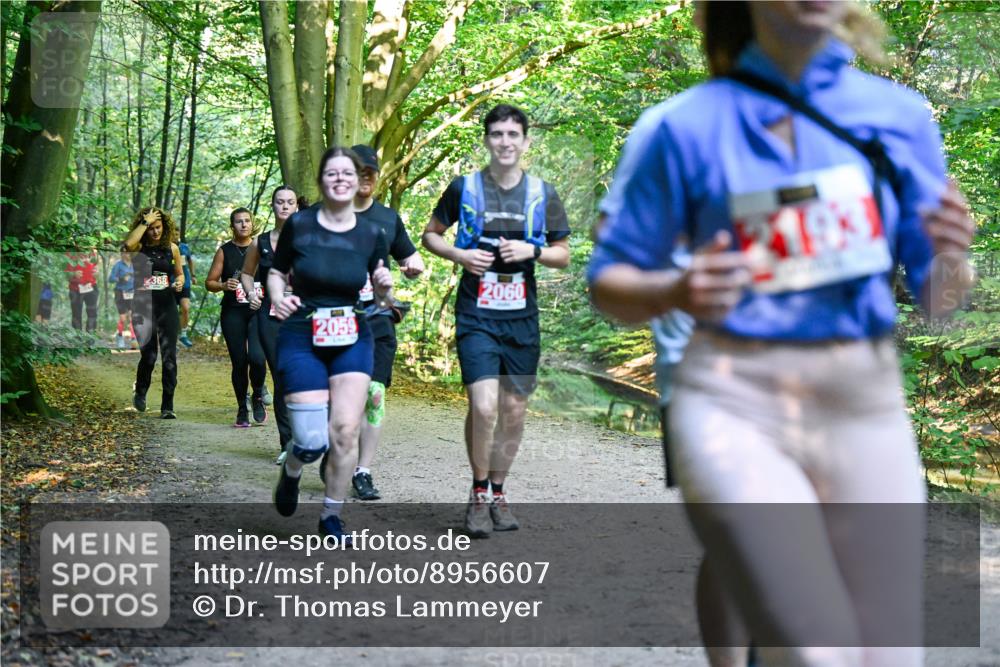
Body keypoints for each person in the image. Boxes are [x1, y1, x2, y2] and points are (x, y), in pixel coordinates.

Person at [588, 2, 976, 666]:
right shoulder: (682, 128)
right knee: (815, 648)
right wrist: (675, 290)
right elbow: (608, 280)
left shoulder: (900, 119)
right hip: (735, 402)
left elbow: (939, 300)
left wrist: (952, 257)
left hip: (864, 403)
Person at [422, 104, 571, 537]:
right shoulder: (462, 187)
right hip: (476, 313)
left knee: (513, 412)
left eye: (513, 135)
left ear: (526, 142)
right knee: (483, 406)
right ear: (486, 141)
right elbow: (431, 234)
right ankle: (479, 491)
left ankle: (499, 491)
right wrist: (458, 254)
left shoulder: (544, 193)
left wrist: (534, 251)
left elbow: (563, 253)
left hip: (522, 317)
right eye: (497, 134)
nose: (505, 142)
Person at [268, 146, 392, 541]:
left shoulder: (372, 232)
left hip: (352, 334)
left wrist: (386, 289)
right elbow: (275, 272)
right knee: (310, 441)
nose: (340, 179)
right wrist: (276, 296)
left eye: (348, 174)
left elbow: (380, 283)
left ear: (358, 183)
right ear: (321, 181)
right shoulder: (300, 225)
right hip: (302, 333)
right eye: (332, 173)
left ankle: (330, 516)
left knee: (343, 431)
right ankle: (292, 469)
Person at [339, 144, 425, 500]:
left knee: (374, 394)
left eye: (370, 173)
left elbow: (412, 258)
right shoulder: (324, 215)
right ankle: (329, 452)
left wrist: (416, 267)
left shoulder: (388, 218)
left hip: (377, 317)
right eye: (358, 172)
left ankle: (363, 471)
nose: (365, 178)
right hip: (334, 318)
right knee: (342, 402)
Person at [243, 185, 299, 463]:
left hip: (302, 314)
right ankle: (287, 444)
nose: (285, 206)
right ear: (273, 206)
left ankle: (311, 438)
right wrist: (252, 293)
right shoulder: (260, 242)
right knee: (280, 377)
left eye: (290, 202)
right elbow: (246, 274)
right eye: (280, 202)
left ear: (296, 207)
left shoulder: (310, 239)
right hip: (270, 314)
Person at [206, 207, 268, 427]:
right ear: (232, 226)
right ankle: (242, 408)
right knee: (239, 362)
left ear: (252, 224)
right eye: (238, 221)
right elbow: (209, 282)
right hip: (233, 311)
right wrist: (223, 284)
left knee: (258, 359)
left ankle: (258, 395)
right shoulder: (224, 251)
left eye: (247, 221)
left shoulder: (262, 247)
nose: (243, 225)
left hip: (258, 310)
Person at [123, 207, 186, 419]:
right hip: (142, 305)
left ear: (164, 227)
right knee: (149, 356)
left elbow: (179, 274)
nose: (155, 232)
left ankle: (168, 405)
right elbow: (127, 244)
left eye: (158, 227)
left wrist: (179, 282)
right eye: (151, 228)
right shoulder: (138, 247)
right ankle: (140, 390)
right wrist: (144, 222)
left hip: (166, 305)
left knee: (169, 357)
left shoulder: (173, 248)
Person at [108, 248, 137, 350]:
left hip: (132, 293)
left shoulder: (135, 264)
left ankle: (133, 338)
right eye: (125, 252)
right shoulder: (118, 265)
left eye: (129, 252)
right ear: (122, 254)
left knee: (132, 316)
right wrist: (121, 278)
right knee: (123, 318)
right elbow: (110, 279)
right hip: (120, 293)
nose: (127, 254)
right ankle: (120, 336)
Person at [64, 249, 99, 332]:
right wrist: (73, 274)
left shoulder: (92, 251)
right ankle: (78, 339)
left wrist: (97, 273)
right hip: (75, 289)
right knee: (76, 314)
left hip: (91, 287)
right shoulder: (70, 253)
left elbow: (96, 267)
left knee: (92, 313)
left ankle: (90, 337)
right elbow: (65, 274)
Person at [176, 235, 196, 347]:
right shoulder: (166, 247)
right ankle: (170, 337)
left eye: (176, 233)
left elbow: (190, 261)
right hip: (171, 283)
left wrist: (193, 275)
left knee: (185, 308)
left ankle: (183, 335)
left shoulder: (184, 247)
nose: (175, 235)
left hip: (185, 282)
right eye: (173, 232)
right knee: (172, 312)